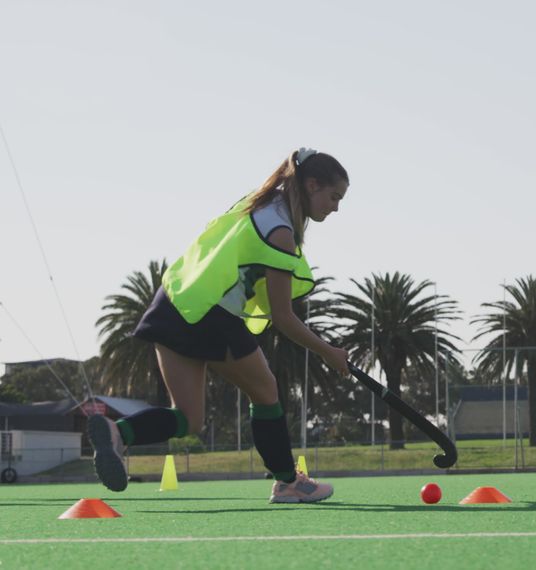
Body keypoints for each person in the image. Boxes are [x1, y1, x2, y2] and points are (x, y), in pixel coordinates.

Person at [88, 148, 350, 503]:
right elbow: (283, 318)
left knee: (188, 419)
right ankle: (288, 482)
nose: (335, 207)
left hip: (173, 302)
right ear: (312, 185)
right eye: (334, 197)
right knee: (266, 391)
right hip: (212, 316)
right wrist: (329, 352)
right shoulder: (281, 231)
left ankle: (117, 432)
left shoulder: (255, 205)